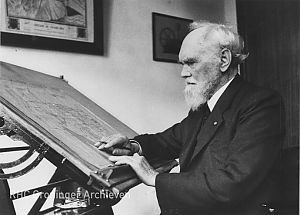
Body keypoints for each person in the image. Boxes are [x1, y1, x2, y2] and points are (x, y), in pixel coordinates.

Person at [95, 21, 285, 215]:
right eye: (182, 64)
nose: (183, 73)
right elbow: (167, 141)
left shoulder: (261, 104)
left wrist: (154, 178)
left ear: (224, 60)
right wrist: (132, 146)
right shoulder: (204, 106)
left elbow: (233, 184)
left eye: (191, 62)